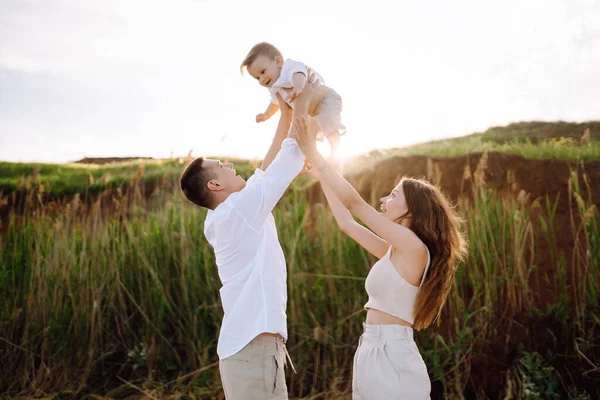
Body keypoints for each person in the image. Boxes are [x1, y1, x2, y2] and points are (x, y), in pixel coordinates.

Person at [293, 117, 468, 399]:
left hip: (393, 354)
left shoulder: (414, 248)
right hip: (371, 347)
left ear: (411, 209)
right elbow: (347, 223)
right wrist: (323, 175)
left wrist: (314, 153)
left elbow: (355, 203)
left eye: (392, 195)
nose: (383, 201)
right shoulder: (395, 252)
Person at [179, 74, 321, 399]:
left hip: (248, 349)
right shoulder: (239, 211)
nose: (229, 164)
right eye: (221, 165)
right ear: (214, 186)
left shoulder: (226, 215)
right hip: (254, 348)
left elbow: (268, 168)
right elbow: (285, 161)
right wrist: (305, 98)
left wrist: (285, 114)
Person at [240, 42, 346, 164]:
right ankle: (310, 160)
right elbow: (274, 104)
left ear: (278, 61)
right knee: (306, 135)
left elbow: (299, 73)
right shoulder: (275, 87)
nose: (262, 79)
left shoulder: (288, 68)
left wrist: (298, 86)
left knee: (329, 122)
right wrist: (266, 115)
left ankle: (335, 153)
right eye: (257, 78)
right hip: (311, 113)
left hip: (326, 99)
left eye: (263, 72)